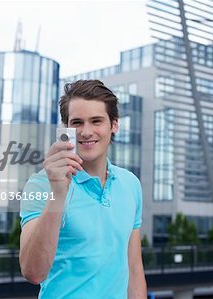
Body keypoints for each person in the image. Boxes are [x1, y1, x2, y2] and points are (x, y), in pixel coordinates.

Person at [19, 79, 147, 298]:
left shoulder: (131, 184)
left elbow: (134, 270)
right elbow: (33, 272)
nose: (86, 132)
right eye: (77, 122)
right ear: (66, 128)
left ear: (114, 124)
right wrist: (58, 192)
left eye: (96, 121)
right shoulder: (40, 185)